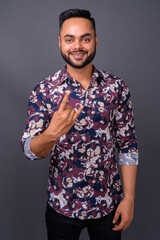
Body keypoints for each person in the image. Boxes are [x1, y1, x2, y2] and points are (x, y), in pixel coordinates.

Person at [21, 9, 138, 240]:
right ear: (60, 42)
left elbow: (128, 146)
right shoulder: (44, 91)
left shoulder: (116, 87)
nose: (78, 46)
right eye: (69, 39)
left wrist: (129, 198)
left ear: (95, 40)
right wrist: (51, 134)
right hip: (61, 206)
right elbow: (30, 151)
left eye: (85, 38)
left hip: (108, 205)